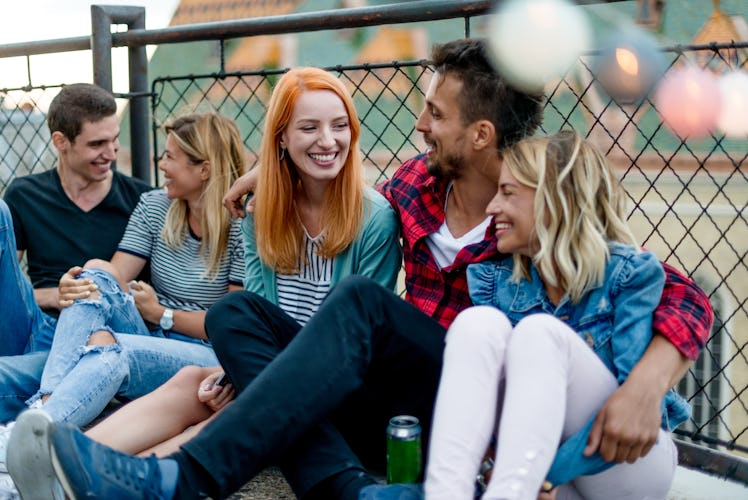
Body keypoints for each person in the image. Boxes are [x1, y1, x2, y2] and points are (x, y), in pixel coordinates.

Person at [10, 38, 712, 500]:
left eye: (434, 114)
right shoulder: (412, 188)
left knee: (359, 303)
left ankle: (177, 483)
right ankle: (344, 486)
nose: (419, 126)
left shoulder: (537, 198)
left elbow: (678, 293)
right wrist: (268, 166)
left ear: (480, 134)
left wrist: (645, 387)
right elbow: (330, 165)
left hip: (481, 394)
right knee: (235, 317)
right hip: (399, 394)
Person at [71, 66, 401, 459]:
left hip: (340, 389)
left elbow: (359, 345)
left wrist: (255, 381)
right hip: (273, 369)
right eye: (309, 127)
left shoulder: (374, 217)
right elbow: (255, 319)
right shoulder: (262, 211)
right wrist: (238, 372)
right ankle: (69, 457)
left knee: (226, 405)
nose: (328, 141)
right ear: (281, 137)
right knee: (197, 380)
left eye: (340, 125)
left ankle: (121, 475)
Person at [425, 130, 686, 500]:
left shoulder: (627, 276)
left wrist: (546, 475)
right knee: (476, 325)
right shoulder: (496, 284)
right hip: (537, 472)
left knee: (539, 334)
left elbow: (635, 418)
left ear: (554, 199)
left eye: (508, 193)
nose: (491, 207)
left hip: (625, 464)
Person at [2, 112, 246, 498]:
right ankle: (44, 408)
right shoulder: (153, 206)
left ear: (205, 168)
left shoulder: (241, 225)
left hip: (206, 354)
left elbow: (235, 327)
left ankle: (31, 431)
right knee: (94, 274)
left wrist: (163, 314)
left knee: (106, 345)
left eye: (170, 157)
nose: (160, 165)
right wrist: (76, 284)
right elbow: (113, 276)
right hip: (149, 335)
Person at [0, 83, 152, 494]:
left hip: (101, 342)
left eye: (115, 140)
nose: (112, 152)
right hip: (36, 328)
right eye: (98, 143)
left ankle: (38, 416)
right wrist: (53, 295)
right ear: (61, 142)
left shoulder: (139, 199)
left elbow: (134, 300)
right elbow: (9, 289)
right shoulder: (24, 194)